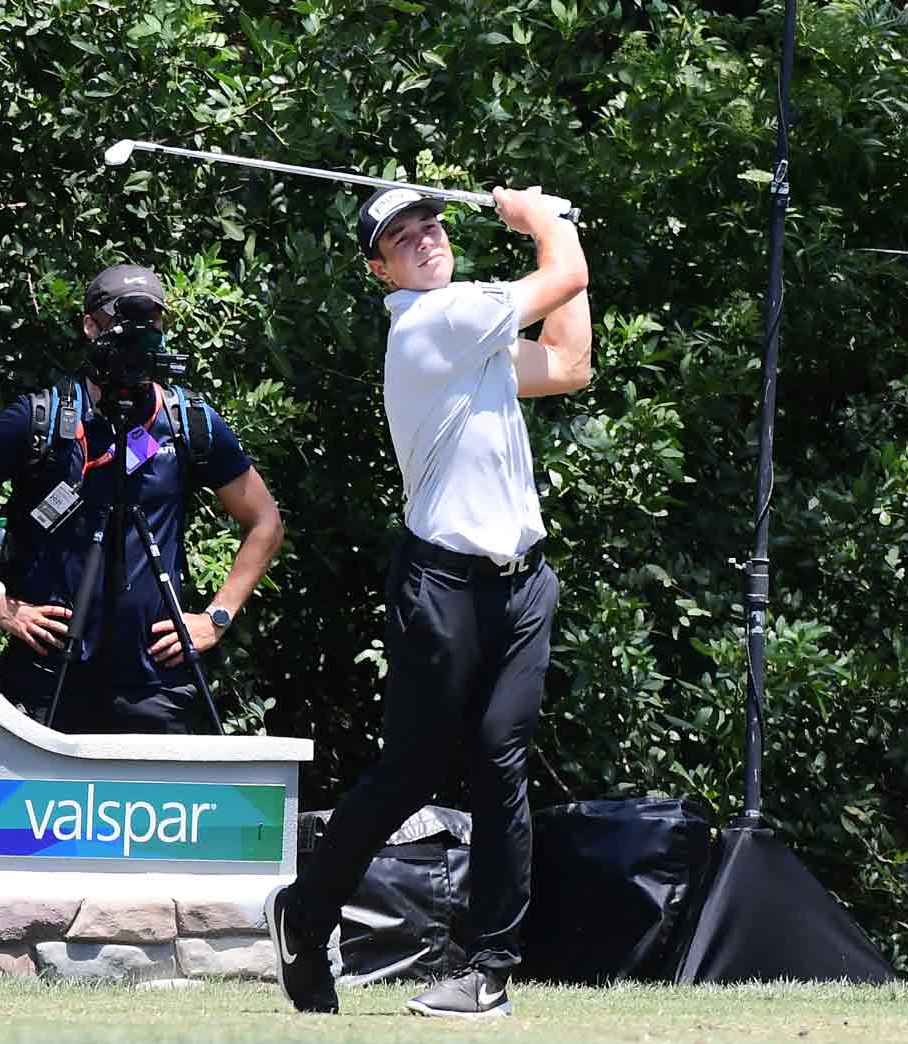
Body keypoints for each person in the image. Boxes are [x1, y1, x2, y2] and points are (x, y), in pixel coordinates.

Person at [267, 186, 589, 1018]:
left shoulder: (472, 336)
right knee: (410, 770)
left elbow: (568, 365)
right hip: (441, 584)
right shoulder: (430, 324)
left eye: (432, 227)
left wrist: (566, 237)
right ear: (383, 270)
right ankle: (307, 914)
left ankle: (487, 972)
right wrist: (539, 218)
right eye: (402, 240)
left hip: (522, 583)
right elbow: (560, 276)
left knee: (501, 762)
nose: (426, 242)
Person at [0, 264, 283, 734]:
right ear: (90, 326)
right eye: (122, 318)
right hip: (50, 672)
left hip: (154, 679)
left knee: (163, 807)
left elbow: (264, 520)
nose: (139, 333)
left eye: (152, 320)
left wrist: (217, 616)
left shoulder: (190, 423)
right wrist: (0, 605)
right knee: (32, 810)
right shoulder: (42, 419)